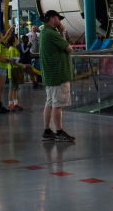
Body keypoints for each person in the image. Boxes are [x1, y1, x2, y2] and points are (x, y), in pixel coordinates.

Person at [39, 10, 75, 141]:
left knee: (50, 103)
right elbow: (68, 48)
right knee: (57, 105)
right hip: (58, 74)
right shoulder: (51, 33)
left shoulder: (44, 32)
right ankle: (59, 132)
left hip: (50, 75)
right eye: (58, 19)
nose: (60, 22)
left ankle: (47, 130)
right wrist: (62, 32)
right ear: (53, 19)